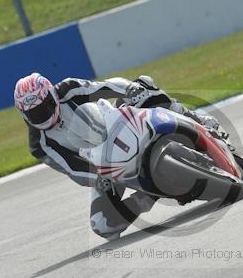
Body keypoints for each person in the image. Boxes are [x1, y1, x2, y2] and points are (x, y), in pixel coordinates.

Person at [13, 73, 220, 239]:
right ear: (24, 114)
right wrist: (99, 177)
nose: (43, 115)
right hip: (104, 164)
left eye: (45, 106)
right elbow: (72, 167)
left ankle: (195, 120)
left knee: (145, 86)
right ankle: (149, 195)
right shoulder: (38, 144)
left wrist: (130, 90)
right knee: (102, 224)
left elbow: (104, 87)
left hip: (118, 125)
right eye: (35, 114)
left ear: (51, 95)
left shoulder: (68, 89)